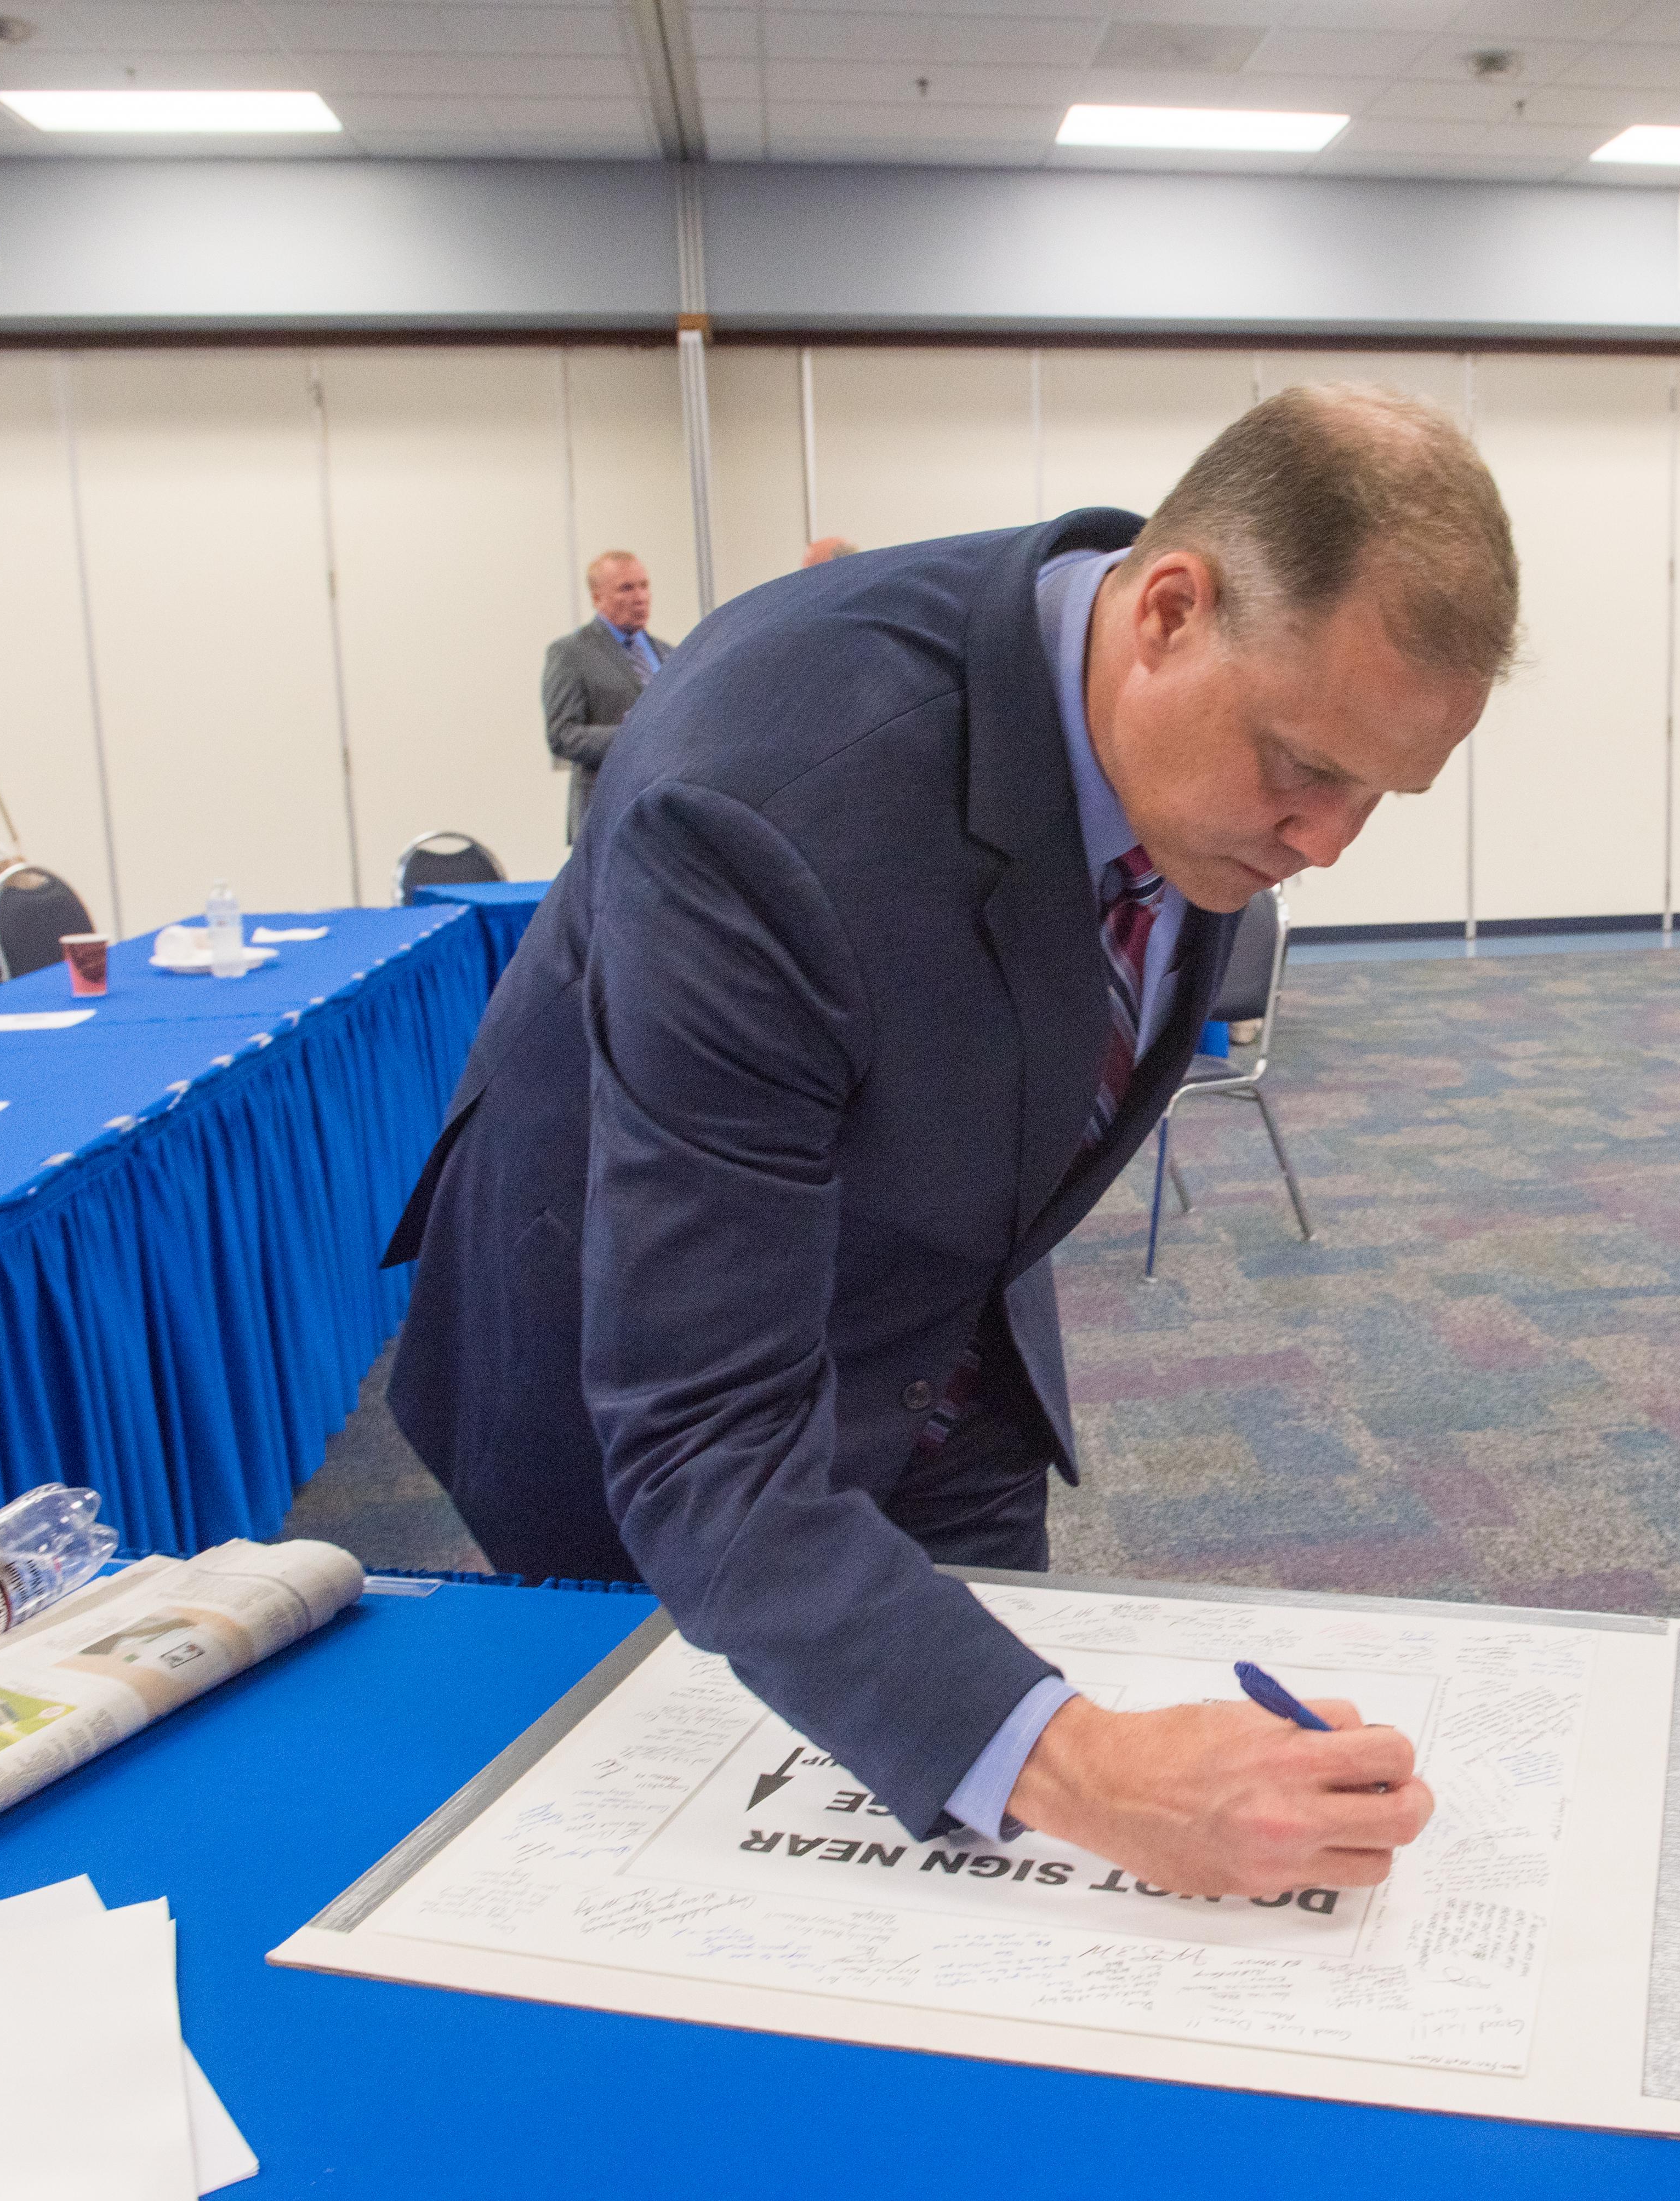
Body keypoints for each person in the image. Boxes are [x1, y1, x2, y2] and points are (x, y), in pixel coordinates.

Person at [389, 385, 1518, 1898]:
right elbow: (705, 1437)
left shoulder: (1189, 739)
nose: (1328, 845)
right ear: (1170, 611)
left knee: (981, 1849)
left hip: (938, 1326)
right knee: (692, 1904)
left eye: (1383, 792)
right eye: (1309, 769)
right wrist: (1096, 1771)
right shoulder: (763, 796)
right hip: (627, 1377)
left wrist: (1042, 1751)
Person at [542, 551, 667, 844]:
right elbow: (562, 735)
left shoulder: (669, 653)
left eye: (644, 586)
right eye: (626, 588)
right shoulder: (571, 653)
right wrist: (631, 736)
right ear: (598, 598)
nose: (640, 597)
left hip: (662, 813)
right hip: (604, 816)